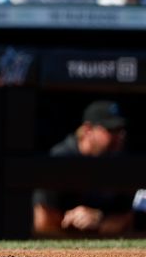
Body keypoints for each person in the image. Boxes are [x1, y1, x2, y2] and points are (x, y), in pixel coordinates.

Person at [33, 101, 134, 237]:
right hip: (61, 245)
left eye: (121, 130)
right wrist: (70, 220)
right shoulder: (61, 159)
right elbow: (42, 223)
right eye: (111, 130)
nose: (120, 136)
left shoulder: (120, 160)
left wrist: (99, 219)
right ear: (88, 130)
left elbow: (127, 218)